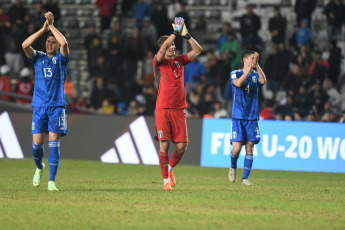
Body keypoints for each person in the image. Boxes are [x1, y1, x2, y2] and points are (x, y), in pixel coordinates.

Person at [152, 17, 203, 191]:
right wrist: (174, 32)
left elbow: (198, 50)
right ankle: (165, 181)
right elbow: (163, 47)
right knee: (164, 144)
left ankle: (170, 169)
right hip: (163, 108)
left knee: (182, 147)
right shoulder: (158, 62)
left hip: (179, 109)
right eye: (170, 46)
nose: (172, 47)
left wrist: (185, 34)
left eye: (174, 46)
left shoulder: (180, 61)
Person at [22, 11, 70, 191]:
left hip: (57, 107)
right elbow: (25, 44)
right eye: (48, 42)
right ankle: (39, 167)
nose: (50, 44)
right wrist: (43, 30)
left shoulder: (62, 59)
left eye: (53, 42)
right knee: (36, 147)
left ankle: (51, 182)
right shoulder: (38, 58)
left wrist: (51, 26)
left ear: (57, 46)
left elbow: (64, 42)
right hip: (39, 107)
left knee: (54, 144)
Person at [228, 50, 266, 186]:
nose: (252, 61)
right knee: (236, 149)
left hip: (252, 117)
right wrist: (247, 71)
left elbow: (263, 81)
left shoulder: (255, 75)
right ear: (244, 60)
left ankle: (245, 179)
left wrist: (257, 66)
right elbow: (237, 84)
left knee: (249, 147)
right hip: (238, 117)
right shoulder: (235, 73)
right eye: (251, 58)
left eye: (254, 59)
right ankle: (233, 167)